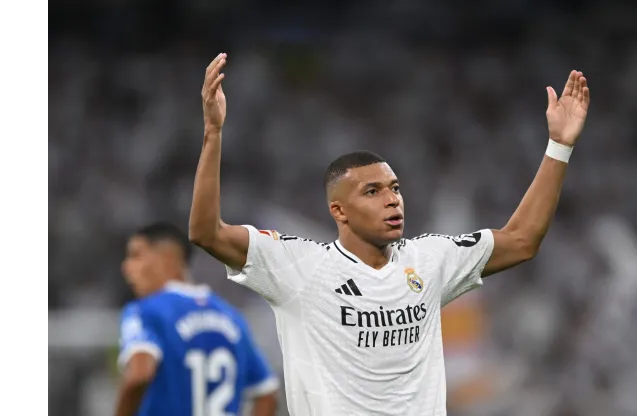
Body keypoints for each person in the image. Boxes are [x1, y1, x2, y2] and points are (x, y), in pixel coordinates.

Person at [189, 53, 590, 415]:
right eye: (373, 191)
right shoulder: (300, 266)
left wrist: (558, 146)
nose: (393, 200)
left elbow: (521, 240)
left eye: (395, 188)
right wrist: (213, 133)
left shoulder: (430, 260)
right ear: (338, 211)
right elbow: (207, 233)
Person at [115, 222, 279, 416]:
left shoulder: (145, 312)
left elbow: (139, 374)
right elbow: (267, 392)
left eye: (136, 256)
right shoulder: (232, 317)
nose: (126, 267)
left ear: (167, 257)